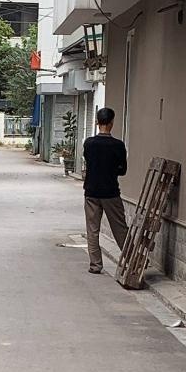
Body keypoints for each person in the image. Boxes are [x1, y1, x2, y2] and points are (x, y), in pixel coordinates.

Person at [81, 107, 129, 274]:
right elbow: (123, 170)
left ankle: (95, 265)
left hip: (91, 191)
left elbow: (88, 162)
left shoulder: (89, 143)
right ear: (111, 123)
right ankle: (131, 260)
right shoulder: (118, 145)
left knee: (92, 230)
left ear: (97, 122)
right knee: (120, 228)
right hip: (110, 192)